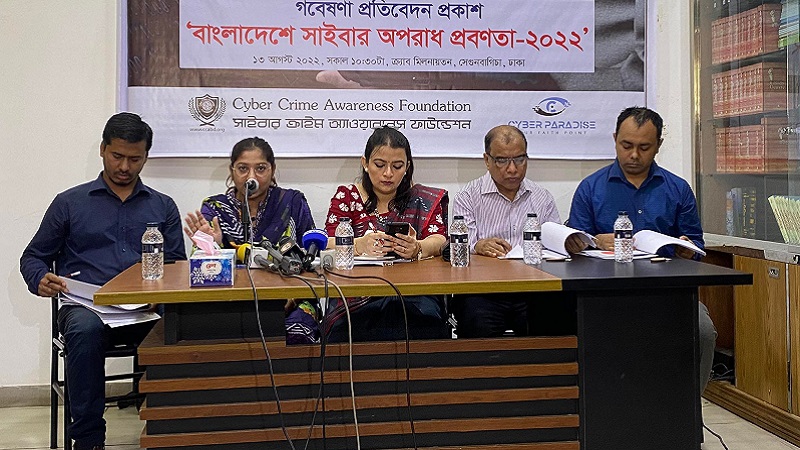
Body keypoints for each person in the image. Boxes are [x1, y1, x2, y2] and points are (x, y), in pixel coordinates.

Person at [20, 112, 187, 450]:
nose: (124, 166)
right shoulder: (70, 203)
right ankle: (89, 439)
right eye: (117, 156)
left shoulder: (162, 206)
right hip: (86, 307)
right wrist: (40, 279)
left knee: (181, 326)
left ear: (146, 156)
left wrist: (162, 294)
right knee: (84, 331)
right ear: (102, 149)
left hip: (145, 309)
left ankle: (167, 429)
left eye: (134, 159)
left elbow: (176, 265)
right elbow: (33, 257)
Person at [567, 106, 717, 395]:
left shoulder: (677, 189)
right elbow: (573, 251)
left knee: (703, 332)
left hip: (668, 292)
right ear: (615, 139)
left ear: (658, 145)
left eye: (644, 147)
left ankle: (687, 409)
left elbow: (697, 247)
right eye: (627, 145)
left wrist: (688, 250)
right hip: (606, 294)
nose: (634, 155)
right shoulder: (590, 188)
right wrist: (594, 241)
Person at [452, 125, 587, 338]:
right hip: (485, 291)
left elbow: (554, 246)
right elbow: (459, 247)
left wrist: (566, 243)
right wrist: (477, 245)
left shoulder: (542, 197)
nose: (512, 169)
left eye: (519, 159)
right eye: (502, 160)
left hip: (533, 290)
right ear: (487, 160)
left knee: (559, 315)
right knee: (474, 319)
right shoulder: (468, 197)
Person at [181, 137, 317, 344]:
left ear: (272, 170)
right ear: (232, 171)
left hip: (290, 299)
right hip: (228, 301)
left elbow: (311, 258)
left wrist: (291, 295)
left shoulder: (292, 202)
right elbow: (201, 271)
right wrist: (213, 247)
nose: (251, 177)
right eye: (243, 168)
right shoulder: (215, 208)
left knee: (296, 332)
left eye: (260, 168)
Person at [323, 126, 449, 341]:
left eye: (397, 166)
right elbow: (327, 242)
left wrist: (418, 247)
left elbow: (439, 239)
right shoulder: (348, 196)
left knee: (422, 324)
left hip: (413, 293)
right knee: (349, 330)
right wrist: (359, 245)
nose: (388, 173)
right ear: (365, 163)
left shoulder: (421, 199)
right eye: (380, 165)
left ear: (407, 167)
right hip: (357, 293)